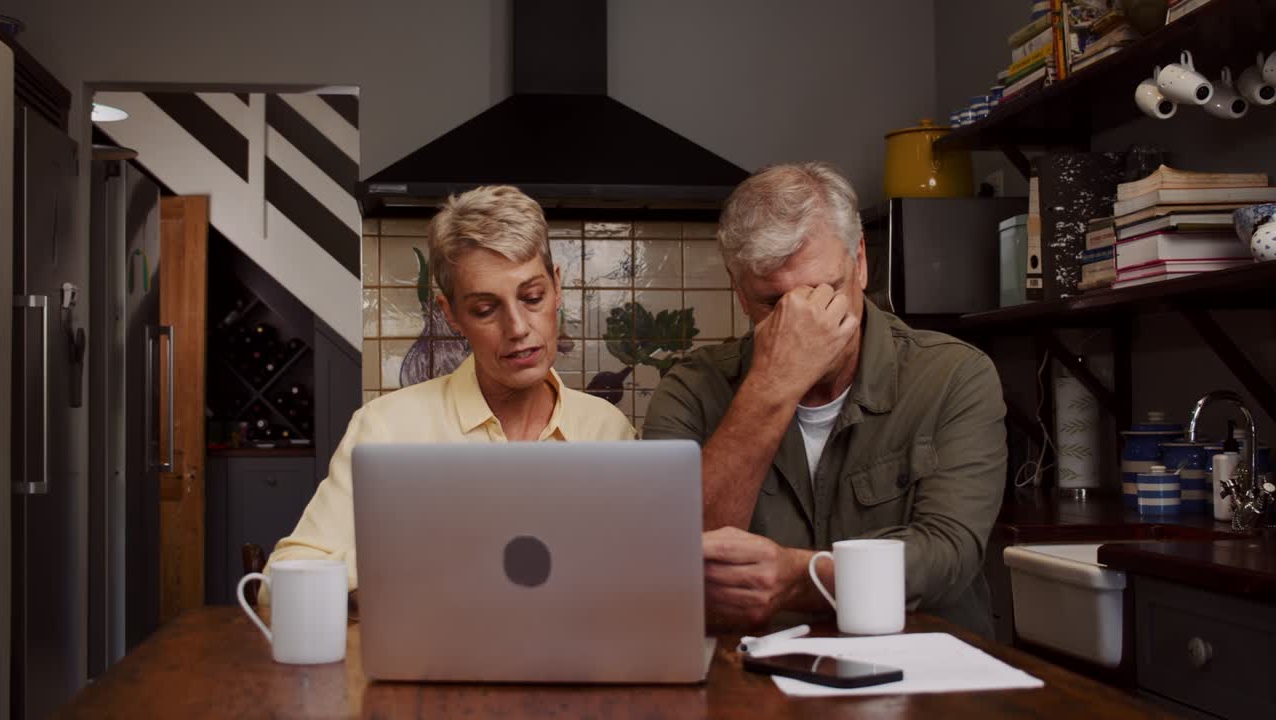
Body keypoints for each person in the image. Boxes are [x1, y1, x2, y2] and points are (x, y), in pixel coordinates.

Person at [642, 162, 1007, 635]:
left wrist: (798, 576)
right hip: (752, 682)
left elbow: (946, 554)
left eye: (823, 290)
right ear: (739, 293)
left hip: (922, 674)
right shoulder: (688, 389)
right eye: (775, 304)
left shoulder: (955, 376)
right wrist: (772, 385)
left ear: (859, 262)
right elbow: (671, 557)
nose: (804, 319)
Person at [265, 185, 635, 600]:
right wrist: (417, 560)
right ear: (451, 314)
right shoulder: (386, 428)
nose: (517, 328)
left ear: (556, 287)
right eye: (485, 309)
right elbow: (278, 584)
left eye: (532, 297)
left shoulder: (610, 430)